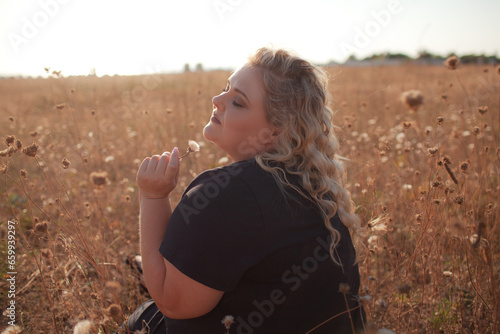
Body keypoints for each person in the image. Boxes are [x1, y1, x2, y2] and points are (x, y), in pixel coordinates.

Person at [125, 47, 366, 334]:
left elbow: (173, 303)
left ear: (276, 130)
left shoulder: (228, 194)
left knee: (145, 319)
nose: (217, 100)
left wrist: (153, 196)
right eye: (225, 89)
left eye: (238, 102)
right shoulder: (315, 185)